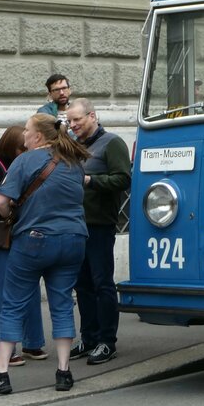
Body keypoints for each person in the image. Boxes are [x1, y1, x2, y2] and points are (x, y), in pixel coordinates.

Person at [0, 113, 89, 396]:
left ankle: (1, 374)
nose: (24, 135)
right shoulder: (74, 162)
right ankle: (63, 372)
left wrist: (10, 214)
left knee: (13, 303)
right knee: (62, 303)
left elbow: (1, 201)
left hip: (34, 240)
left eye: (27, 130)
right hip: (74, 238)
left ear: (38, 136)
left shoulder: (24, 161)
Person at [0, 125, 47, 366]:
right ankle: (2, 347)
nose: (26, 151)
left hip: (22, 237)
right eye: (22, 148)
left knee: (31, 291)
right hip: (1, 241)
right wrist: (12, 200)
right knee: (4, 295)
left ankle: (33, 342)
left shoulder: (22, 164)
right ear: (12, 148)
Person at [64, 98, 131, 366]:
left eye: (76, 120)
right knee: (82, 284)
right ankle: (88, 337)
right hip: (75, 224)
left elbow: (124, 178)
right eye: (69, 121)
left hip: (99, 224)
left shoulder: (112, 142)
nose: (72, 125)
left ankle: (107, 341)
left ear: (92, 116)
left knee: (102, 282)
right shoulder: (75, 145)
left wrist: (91, 181)